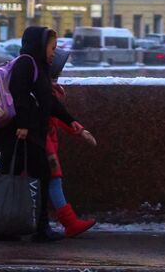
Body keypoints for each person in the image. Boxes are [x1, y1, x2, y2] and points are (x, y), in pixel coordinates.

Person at [0, 25, 74, 242]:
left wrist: (72, 121)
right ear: (40, 44)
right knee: (24, 176)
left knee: (16, 175)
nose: (54, 51)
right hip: (19, 133)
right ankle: (30, 228)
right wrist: (24, 125)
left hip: (28, 133)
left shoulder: (38, 66)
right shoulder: (26, 63)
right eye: (51, 47)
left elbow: (48, 101)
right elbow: (20, 94)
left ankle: (6, 227)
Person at [45, 51, 98, 237]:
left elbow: (60, 119)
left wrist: (81, 131)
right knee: (53, 179)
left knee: (45, 182)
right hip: (45, 146)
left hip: (45, 143)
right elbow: (58, 119)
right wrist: (81, 131)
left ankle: (50, 223)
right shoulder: (47, 93)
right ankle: (70, 223)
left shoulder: (50, 91)